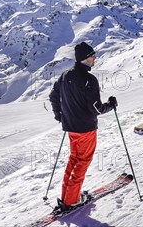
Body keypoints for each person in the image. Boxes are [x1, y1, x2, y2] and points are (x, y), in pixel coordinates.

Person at [49, 42, 117, 212]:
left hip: (71, 127)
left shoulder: (65, 76)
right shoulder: (89, 80)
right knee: (83, 161)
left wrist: (59, 115)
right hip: (86, 128)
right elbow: (95, 107)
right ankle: (71, 200)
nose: (95, 58)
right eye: (92, 56)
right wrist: (110, 105)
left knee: (74, 159)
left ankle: (68, 195)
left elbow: (53, 96)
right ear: (85, 59)